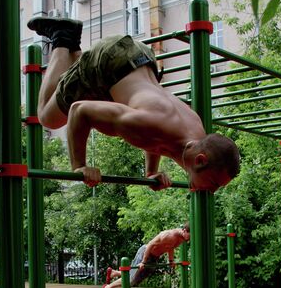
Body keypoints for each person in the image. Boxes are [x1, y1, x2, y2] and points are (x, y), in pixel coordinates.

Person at [28, 16, 240, 192]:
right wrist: (80, 166)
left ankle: (72, 45)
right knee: (48, 116)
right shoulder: (149, 125)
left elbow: (157, 137)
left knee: (82, 86)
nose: (212, 192)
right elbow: (79, 110)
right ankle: (62, 37)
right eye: (213, 185)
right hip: (111, 61)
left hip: (142, 61)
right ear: (200, 160)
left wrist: (151, 172)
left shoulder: (194, 134)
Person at [99, 224, 190, 288]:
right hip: (145, 253)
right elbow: (150, 244)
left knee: (136, 280)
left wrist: (171, 261)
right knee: (130, 281)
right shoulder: (168, 235)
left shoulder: (181, 238)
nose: (189, 239)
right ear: (185, 231)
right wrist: (143, 261)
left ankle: (114, 273)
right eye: (189, 236)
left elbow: (170, 247)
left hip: (154, 258)